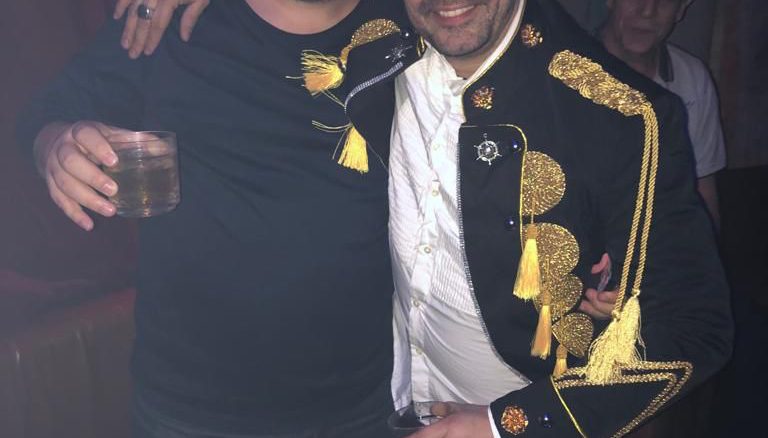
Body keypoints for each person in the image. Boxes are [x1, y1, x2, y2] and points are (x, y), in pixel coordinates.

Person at [340, 0, 733, 436]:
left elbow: (693, 327)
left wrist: (503, 426)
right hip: (394, 402)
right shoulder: (377, 56)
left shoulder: (621, 115)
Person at [18, 1, 408, 437]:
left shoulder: (414, 22)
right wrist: (54, 146)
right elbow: (45, 113)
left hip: (366, 405)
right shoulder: (169, 20)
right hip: (191, 412)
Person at [599, 0, 726, 228]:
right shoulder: (563, 72)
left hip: (662, 241)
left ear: (681, 9)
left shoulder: (693, 78)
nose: (648, 11)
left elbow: (703, 192)